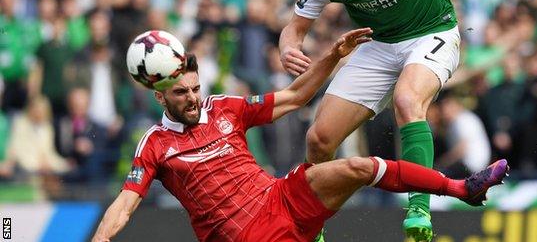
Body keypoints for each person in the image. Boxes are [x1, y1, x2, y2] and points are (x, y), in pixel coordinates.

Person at [279, 0, 537, 240]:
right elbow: (294, 29)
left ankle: (419, 208)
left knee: (407, 101)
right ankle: (313, 224)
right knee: (319, 138)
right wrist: (288, 48)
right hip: (378, 45)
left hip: (432, 32)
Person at [92, 28, 509, 242]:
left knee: (360, 165)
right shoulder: (156, 145)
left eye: (195, 88)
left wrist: (333, 56)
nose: (193, 97)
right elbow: (125, 204)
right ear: (159, 96)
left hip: (281, 197)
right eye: (182, 92)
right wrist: (102, 237)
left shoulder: (224, 108)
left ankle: (462, 188)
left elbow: (295, 95)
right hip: (246, 236)